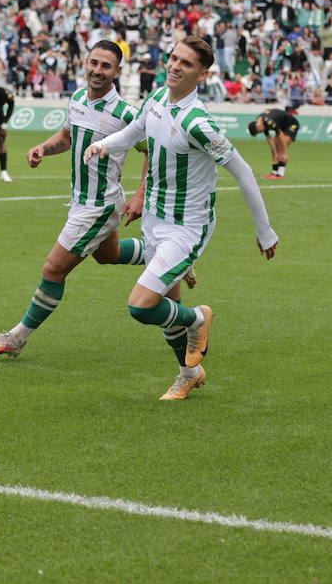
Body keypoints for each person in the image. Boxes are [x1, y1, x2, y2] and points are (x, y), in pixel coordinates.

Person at [84, 36, 279, 400]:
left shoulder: (199, 123)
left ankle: (199, 318)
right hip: (154, 219)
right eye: (174, 58)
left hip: (186, 228)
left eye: (186, 63)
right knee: (166, 307)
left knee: (141, 305)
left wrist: (265, 231)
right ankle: (189, 374)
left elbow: (243, 171)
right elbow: (134, 132)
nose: (174, 66)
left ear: (202, 74)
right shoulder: (158, 97)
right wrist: (104, 144)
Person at [0, 41, 156, 357]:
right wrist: (43, 149)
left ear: (117, 71)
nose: (97, 70)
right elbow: (67, 137)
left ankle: (16, 339)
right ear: (85, 63)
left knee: (53, 269)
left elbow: (152, 152)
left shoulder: (126, 114)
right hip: (80, 202)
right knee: (109, 255)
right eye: (93, 63)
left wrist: (140, 195)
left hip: (98, 206)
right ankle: (168, 256)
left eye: (106, 66)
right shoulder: (77, 98)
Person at [247, 108, 299, 179]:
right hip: (281, 126)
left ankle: (280, 174)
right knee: (275, 149)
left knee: (281, 148)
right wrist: (275, 151)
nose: (261, 132)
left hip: (291, 125)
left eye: (260, 131)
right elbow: (269, 138)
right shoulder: (260, 122)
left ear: (258, 126)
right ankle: (274, 173)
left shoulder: (270, 122)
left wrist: (285, 152)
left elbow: (281, 136)